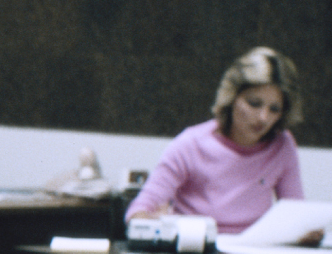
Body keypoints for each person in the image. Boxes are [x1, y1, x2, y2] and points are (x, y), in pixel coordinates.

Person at [125, 47, 305, 233]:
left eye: (274, 109)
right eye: (254, 103)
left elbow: (296, 214)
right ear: (232, 97)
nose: (263, 118)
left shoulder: (282, 145)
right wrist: (156, 222)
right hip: (196, 253)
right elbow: (138, 213)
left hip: (253, 253)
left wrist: (306, 232)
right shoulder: (191, 144)